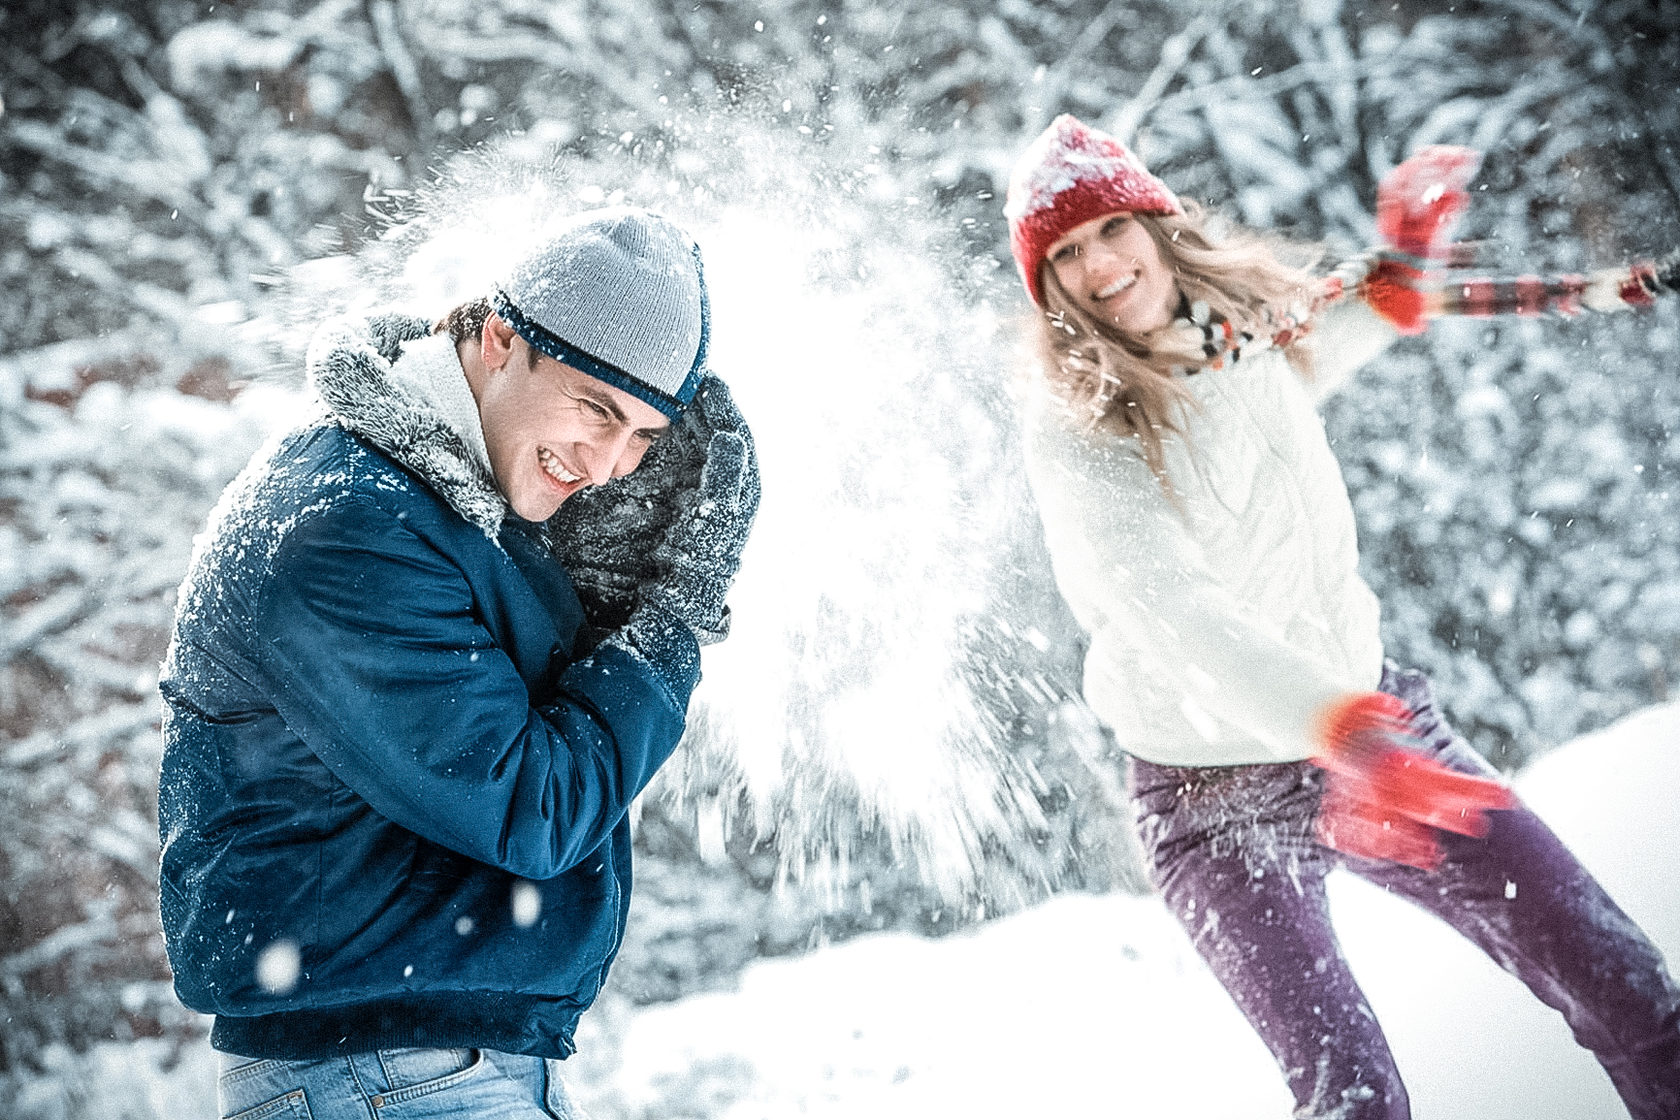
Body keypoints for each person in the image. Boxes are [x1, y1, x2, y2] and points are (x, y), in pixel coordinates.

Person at [1005, 114, 1680, 1119]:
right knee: (1355, 1098)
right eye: (1064, 255)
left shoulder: (1244, 333)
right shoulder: (1082, 427)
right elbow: (1173, 613)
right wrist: (1341, 729)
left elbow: (1334, 335)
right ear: (1048, 288)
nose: (1098, 265)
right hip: (1213, 798)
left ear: (1156, 224)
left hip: (1374, 718)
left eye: (1108, 230)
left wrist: (1402, 268)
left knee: (1628, 988)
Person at [157, 206, 759, 1119]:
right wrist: (669, 614)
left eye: (641, 437)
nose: (606, 464)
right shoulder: (349, 529)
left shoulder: (443, 513)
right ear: (497, 338)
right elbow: (534, 806)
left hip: (424, 1067)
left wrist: (592, 595)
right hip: (383, 1076)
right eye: (596, 408)